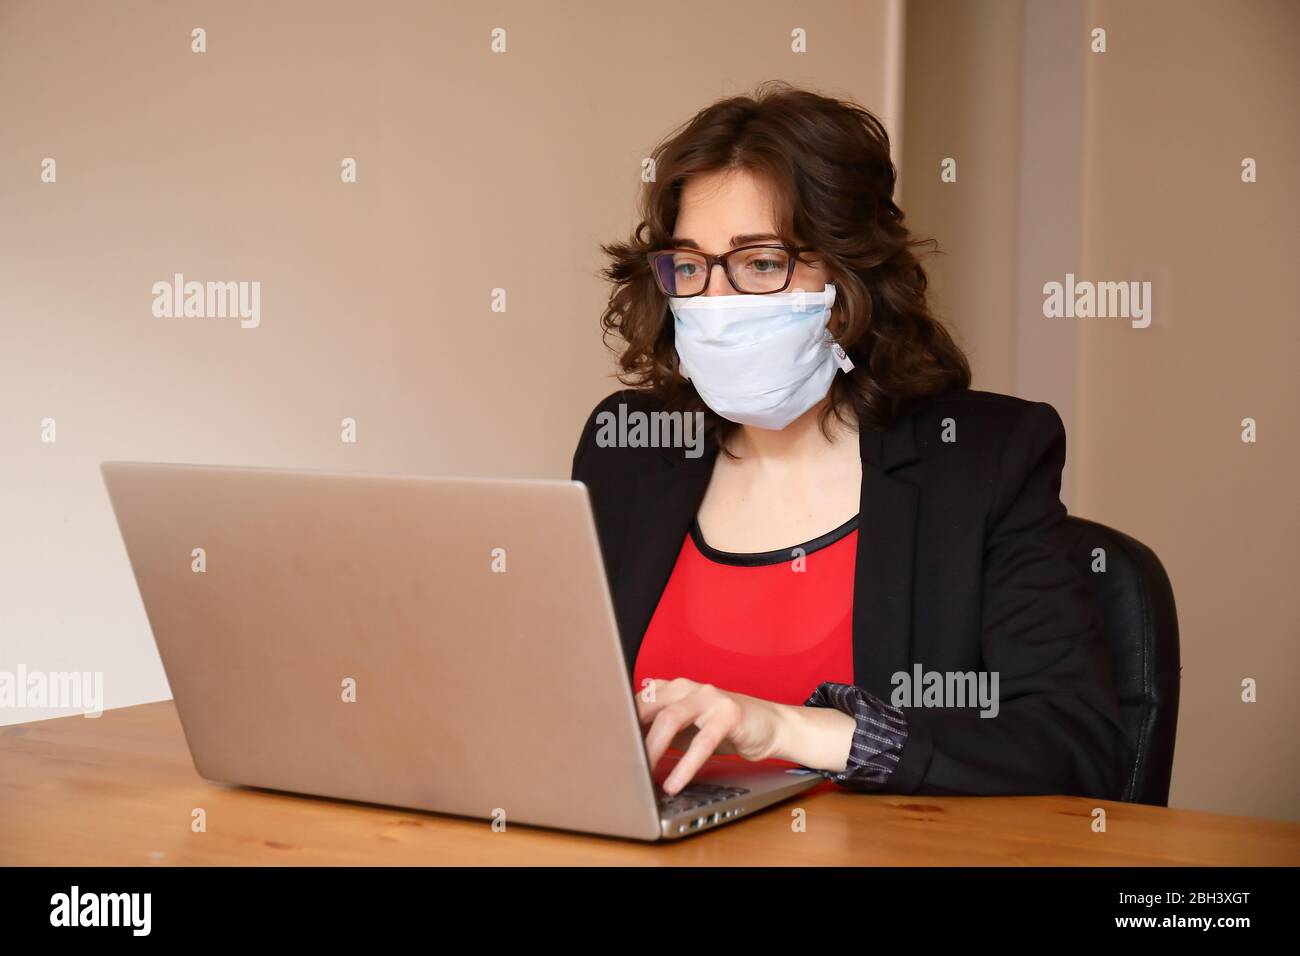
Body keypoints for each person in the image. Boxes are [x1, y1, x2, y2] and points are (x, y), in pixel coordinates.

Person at [572, 80, 1130, 800]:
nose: (714, 302)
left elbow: (1076, 745)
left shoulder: (985, 461)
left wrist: (791, 730)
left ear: (848, 275)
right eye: (690, 265)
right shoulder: (631, 448)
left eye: (761, 263)